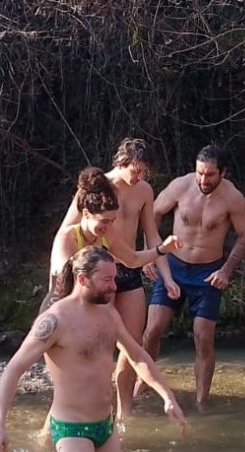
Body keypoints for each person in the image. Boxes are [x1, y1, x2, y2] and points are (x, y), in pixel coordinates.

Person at [0, 246, 186, 452]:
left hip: (105, 424)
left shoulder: (109, 315)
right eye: (107, 281)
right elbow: (13, 370)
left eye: (114, 279)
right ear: (82, 279)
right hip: (71, 427)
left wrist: (167, 396)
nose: (114, 287)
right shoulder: (55, 320)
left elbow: (137, 356)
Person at [51, 141, 173, 417]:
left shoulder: (144, 190)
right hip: (96, 272)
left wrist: (166, 273)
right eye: (135, 170)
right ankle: (84, 406)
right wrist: (71, 276)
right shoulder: (97, 188)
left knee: (132, 343)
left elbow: (151, 235)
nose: (139, 177)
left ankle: (124, 413)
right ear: (121, 163)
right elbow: (68, 231)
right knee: (100, 344)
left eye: (144, 172)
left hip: (128, 268)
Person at [141, 145, 245, 409]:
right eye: (200, 173)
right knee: (152, 330)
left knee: (203, 337)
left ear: (223, 173)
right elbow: (153, 214)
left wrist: (226, 270)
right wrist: (150, 254)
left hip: (207, 273)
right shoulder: (181, 186)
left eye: (210, 175)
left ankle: (202, 401)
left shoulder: (233, 198)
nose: (204, 180)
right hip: (174, 266)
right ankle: (143, 385)